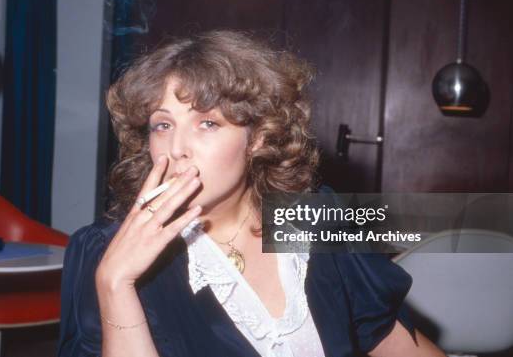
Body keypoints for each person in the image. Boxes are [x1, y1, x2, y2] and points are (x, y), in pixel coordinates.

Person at [57, 30, 446, 357]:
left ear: (258, 138)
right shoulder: (103, 251)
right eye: (162, 125)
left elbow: (391, 339)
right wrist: (115, 283)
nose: (176, 148)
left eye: (207, 122)